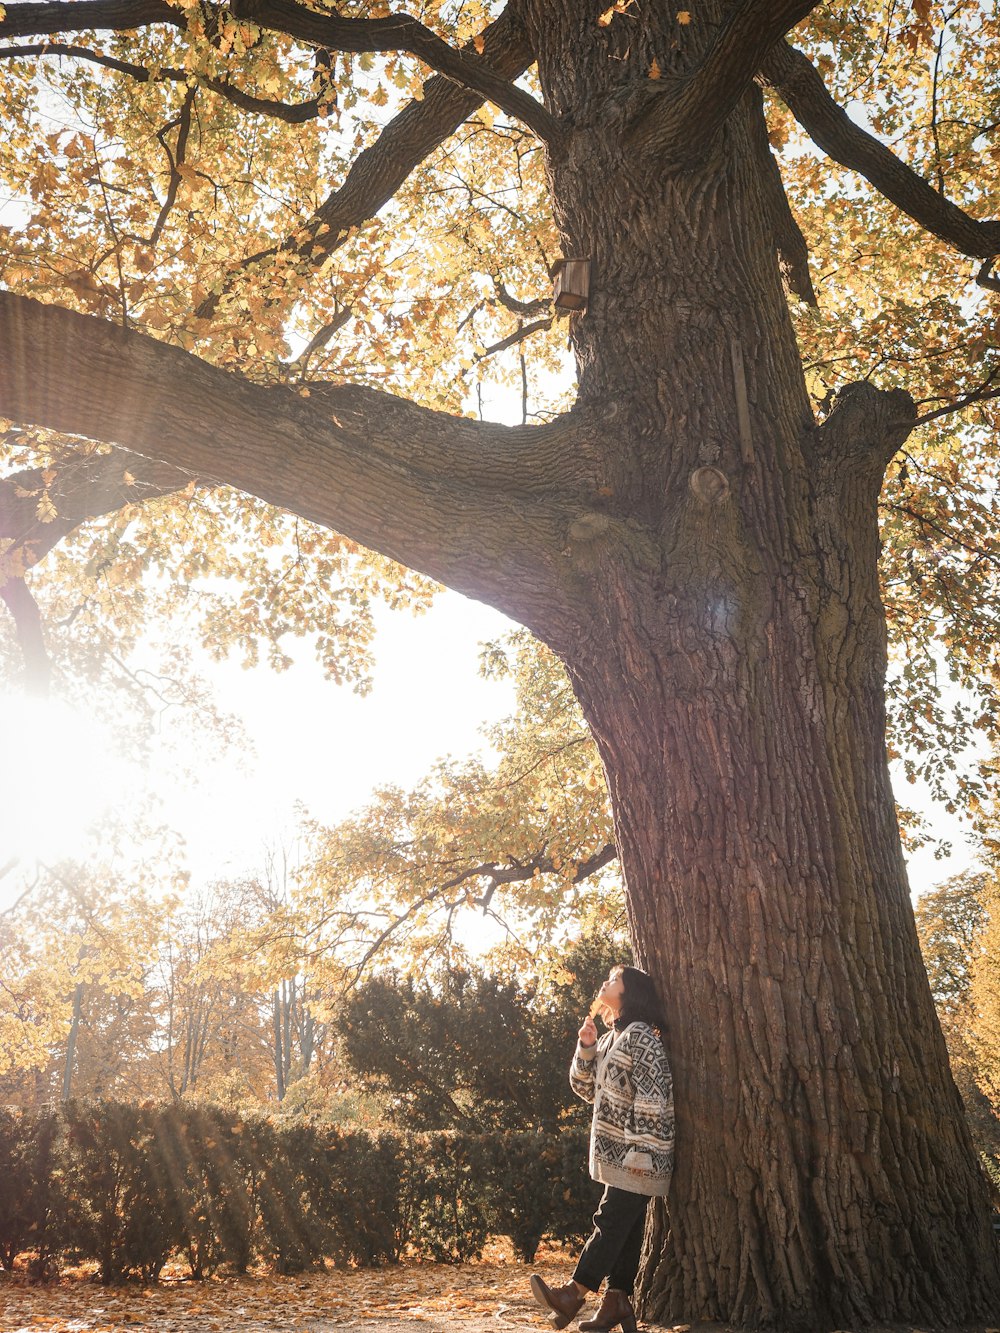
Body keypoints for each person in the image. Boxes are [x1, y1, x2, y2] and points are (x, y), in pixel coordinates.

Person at [530, 965, 674, 1333]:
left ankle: (572, 1294)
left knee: (609, 1222)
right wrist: (588, 1047)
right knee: (624, 1228)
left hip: (639, 1154)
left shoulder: (643, 1037)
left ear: (629, 992)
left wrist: (642, 1151)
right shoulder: (614, 1037)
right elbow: (588, 1091)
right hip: (620, 1156)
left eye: (613, 979)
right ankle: (617, 1303)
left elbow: (653, 1097)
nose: (605, 983)